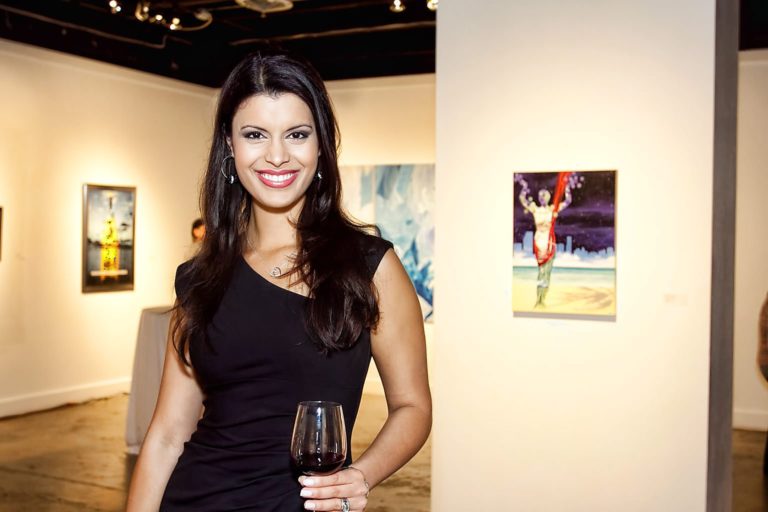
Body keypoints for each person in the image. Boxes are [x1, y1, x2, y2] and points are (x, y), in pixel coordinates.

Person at [125, 51, 431, 512]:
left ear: (321, 145)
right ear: (229, 146)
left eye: (297, 134)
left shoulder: (369, 268)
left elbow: (413, 407)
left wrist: (359, 477)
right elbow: (168, 433)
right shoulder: (199, 278)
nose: (276, 155)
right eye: (254, 135)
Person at [517, 173, 574, 307]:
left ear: (548, 198)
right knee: (541, 271)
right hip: (539, 242)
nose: (543, 197)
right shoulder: (535, 209)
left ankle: (543, 299)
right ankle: (539, 299)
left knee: (547, 272)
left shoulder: (552, 209)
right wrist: (524, 187)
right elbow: (522, 199)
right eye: (541, 196)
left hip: (549, 242)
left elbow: (567, 201)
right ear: (539, 198)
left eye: (545, 195)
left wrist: (566, 189)